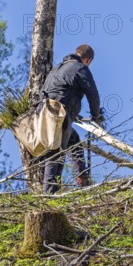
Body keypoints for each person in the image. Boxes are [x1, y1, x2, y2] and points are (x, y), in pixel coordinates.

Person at [41, 44, 103, 193]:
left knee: (73, 141)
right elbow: (93, 95)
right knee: (56, 150)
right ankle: (49, 193)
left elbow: (60, 90)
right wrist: (96, 116)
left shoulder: (57, 69)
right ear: (88, 60)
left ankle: (82, 181)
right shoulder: (80, 68)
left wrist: (75, 114)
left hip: (44, 111)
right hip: (59, 112)